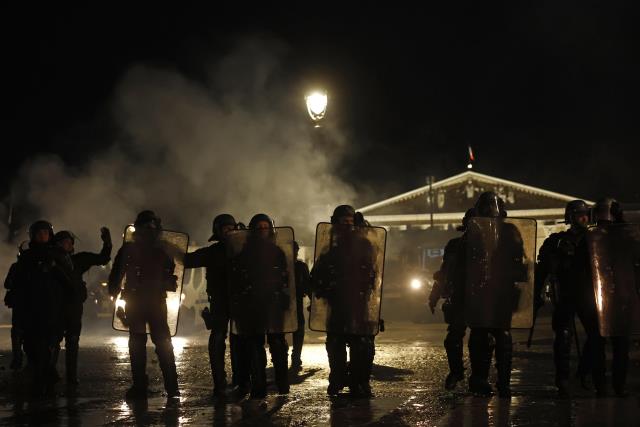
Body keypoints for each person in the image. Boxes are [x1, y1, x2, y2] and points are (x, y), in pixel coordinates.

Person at [108, 210, 180, 399]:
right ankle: (141, 386)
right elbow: (117, 272)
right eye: (146, 226)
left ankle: (172, 388)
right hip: (135, 301)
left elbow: (170, 270)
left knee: (163, 344)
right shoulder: (129, 249)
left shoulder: (163, 249)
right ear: (139, 227)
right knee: (137, 344)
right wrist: (114, 289)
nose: (149, 229)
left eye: (152, 226)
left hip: (155, 301)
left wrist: (167, 281)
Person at [462, 192, 527, 398]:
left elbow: (519, 262)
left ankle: (503, 382)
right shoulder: (474, 231)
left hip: (501, 289)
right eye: (487, 206)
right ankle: (480, 379)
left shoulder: (508, 231)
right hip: (480, 290)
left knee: (501, 334)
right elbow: (463, 264)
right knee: (480, 334)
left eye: (493, 206)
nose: (491, 211)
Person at [311, 205, 380, 397]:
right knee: (335, 345)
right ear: (335, 224)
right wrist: (321, 289)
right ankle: (338, 380)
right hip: (337, 304)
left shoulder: (365, 245)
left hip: (359, 304)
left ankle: (361, 381)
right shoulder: (329, 250)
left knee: (363, 346)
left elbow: (374, 273)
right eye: (343, 222)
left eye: (350, 222)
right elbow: (317, 275)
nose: (347, 226)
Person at [228, 214, 291, 398]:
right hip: (252, 306)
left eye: (266, 227)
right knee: (255, 347)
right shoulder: (244, 253)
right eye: (259, 227)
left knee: (278, 346)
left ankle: (282, 383)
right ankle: (259, 386)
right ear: (253, 230)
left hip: (274, 305)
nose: (263, 230)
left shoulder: (278, 252)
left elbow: (286, 279)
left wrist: (284, 297)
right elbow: (237, 280)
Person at [10, 220, 73, 397]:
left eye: (45, 232)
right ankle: (43, 377)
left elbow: (69, 282)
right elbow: (18, 281)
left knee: (47, 347)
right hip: (31, 310)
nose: (42, 236)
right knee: (30, 346)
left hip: (51, 310)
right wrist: (14, 296)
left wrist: (54, 269)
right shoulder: (27, 257)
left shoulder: (57, 255)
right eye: (39, 233)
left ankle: (42, 382)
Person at [534, 199, 590, 396]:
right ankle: (563, 379)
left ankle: (585, 373)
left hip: (589, 293)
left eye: (585, 214)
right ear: (571, 217)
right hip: (566, 292)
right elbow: (543, 268)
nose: (583, 218)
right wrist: (537, 294)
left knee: (597, 335)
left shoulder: (593, 239)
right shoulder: (557, 240)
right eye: (579, 214)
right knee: (563, 336)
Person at [183, 214, 237, 397]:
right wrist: (168, 250)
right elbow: (187, 260)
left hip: (240, 300)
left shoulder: (243, 250)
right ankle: (219, 383)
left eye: (232, 228)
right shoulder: (213, 252)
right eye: (225, 229)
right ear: (218, 231)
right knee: (217, 338)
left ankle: (242, 380)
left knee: (242, 341)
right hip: (220, 301)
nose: (229, 232)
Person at [53, 227, 112, 385]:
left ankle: (71, 378)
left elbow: (102, 259)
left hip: (73, 307)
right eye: (62, 242)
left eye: (68, 242)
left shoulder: (78, 260)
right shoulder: (49, 261)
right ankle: (49, 373)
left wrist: (107, 243)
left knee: (72, 341)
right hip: (55, 308)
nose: (66, 245)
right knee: (52, 342)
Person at [428, 209, 474, 390]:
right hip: (460, 296)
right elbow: (445, 272)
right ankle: (456, 372)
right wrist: (434, 295)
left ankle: (481, 378)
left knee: (484, 340)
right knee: (453, 338)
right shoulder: (455, 245)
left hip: (484, 298)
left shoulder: (491, 243)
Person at [290, 241, 310, 371]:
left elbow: (308, 285)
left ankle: (296, 357)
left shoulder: (301, 267)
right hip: (281, 303)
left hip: (296, 302)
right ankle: (284, 356)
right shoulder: (278, 265)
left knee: (299, 330)